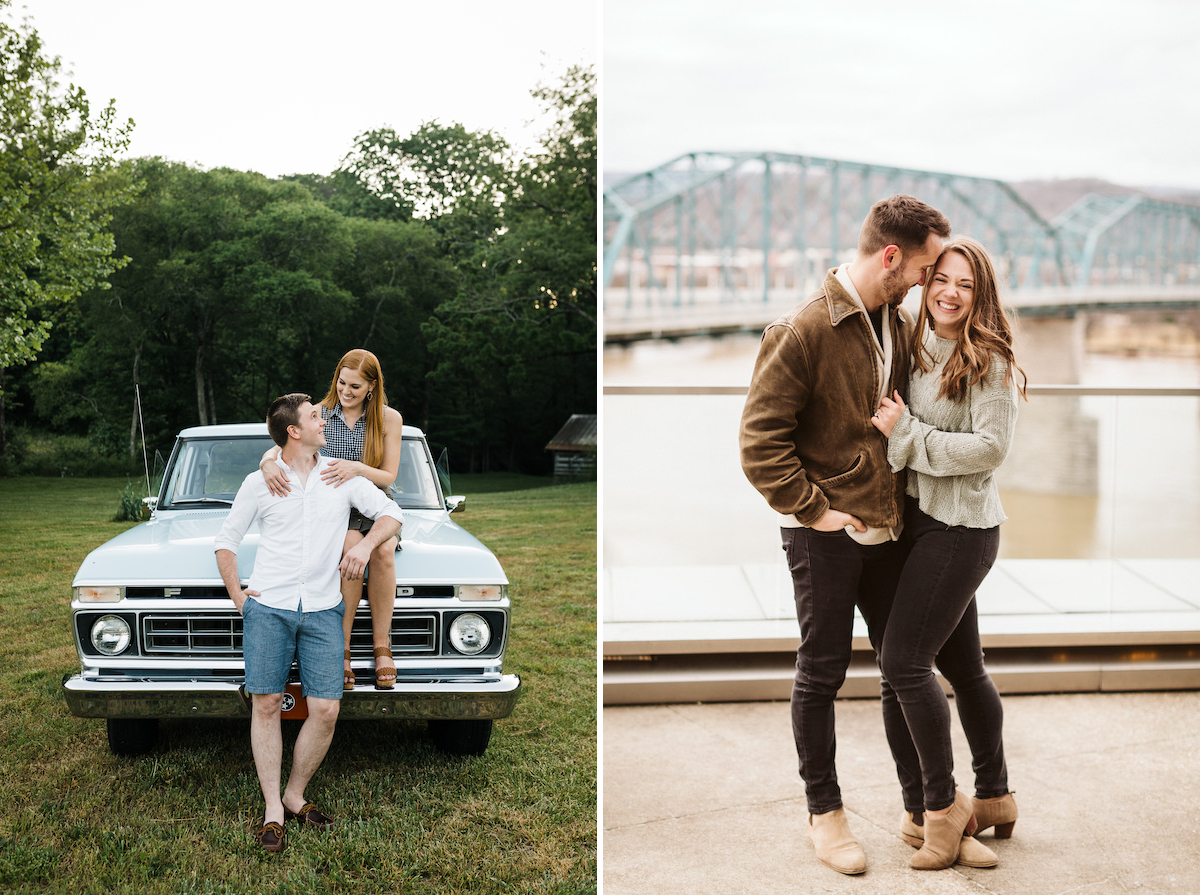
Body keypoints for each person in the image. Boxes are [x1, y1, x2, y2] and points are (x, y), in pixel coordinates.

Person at [739, 195, 950, 875]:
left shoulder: (893, 316)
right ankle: (824, 814)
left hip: (891, 530)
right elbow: (758, 444)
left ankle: (922, 814)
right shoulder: (801, 331)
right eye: (920, 267)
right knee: (822, 672)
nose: (925, 281)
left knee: (903, 670)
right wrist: (814, 510)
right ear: (890, 256)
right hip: (826, 536)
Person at [870, 236, 1025, 869]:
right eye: (941, 279)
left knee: (902, 664)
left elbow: (989, 449)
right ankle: (994, 797)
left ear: (980, 292)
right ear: (926, 282)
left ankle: (938, 810)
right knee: (964, 669)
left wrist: (906, 435)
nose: (950, 293)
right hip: (918, 526)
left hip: (961, 530)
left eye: (964, 284)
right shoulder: (909, 342)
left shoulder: (986, 359)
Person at [216, 392, 404, 853]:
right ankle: (272, 810)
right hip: (270, 608)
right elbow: (226, 542)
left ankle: (295, 794)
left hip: (323, 610)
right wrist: (240, 595)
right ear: (294, 431)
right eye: (316, 417)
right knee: (266, 705)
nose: (326, 420)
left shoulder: (338, 474)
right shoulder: (260, 482)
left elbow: (392, 513)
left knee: (326, 709)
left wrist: (362, 547)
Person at [260, 349, 404, 691]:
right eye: (342, 382)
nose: (346, 391)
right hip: (334, 505)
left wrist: (356, 468)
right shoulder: (320, 414)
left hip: (374, 504)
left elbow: (388, 475)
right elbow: (284, 438)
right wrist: (267, 461)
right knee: (348, 547)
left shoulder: (388, 419)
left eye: (355, 386)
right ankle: (342, 649)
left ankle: (382, 646)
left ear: (372, 385)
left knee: (382, 553)